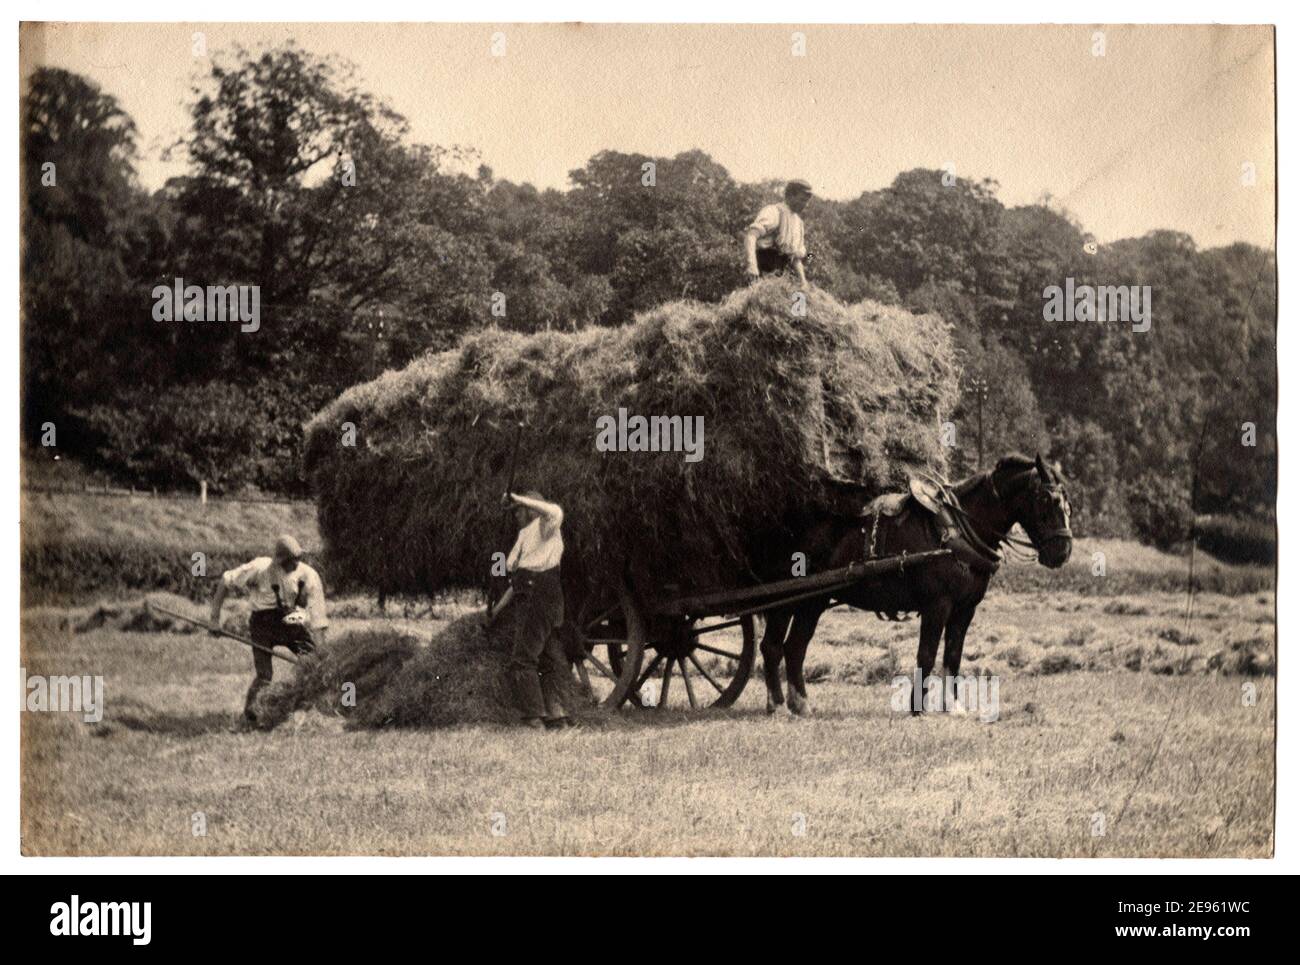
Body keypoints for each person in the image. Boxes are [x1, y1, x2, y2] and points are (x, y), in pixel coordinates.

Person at [209, 534, 328, 730]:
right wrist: (214, 619)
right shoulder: (260, 567)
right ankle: (248, 720)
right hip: (262, 624)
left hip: (291, 622)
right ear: (279, 560)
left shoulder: (309, 576)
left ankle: (308, 712)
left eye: (295, 561)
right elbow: (226, 580)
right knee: (264, 675)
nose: (291, 566)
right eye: (286, 562)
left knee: (314, 665)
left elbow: (318, 617)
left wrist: (321, 651)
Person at [502, 490, 575, 730]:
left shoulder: (548, 525)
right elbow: (514, 577)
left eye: (519, 511)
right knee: (551, 656)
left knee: (523, 658)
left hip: (538, 593)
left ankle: (534, 719)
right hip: (533, 592)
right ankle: (559, 716)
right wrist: (497, 610)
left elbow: (553, 510)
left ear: (531, 509)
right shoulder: (523, 535)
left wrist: (516, 498)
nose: (516, 516)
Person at [744, 179, 812, 286]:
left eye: (807, 201)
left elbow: (796, 258)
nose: (806, 205)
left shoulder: (799, 223)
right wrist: (752, 265)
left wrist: (803, 281)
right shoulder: (774, 211)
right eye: (802, 200)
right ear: (790, 196)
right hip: (763, 268)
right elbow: (751, 236)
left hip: (782, 276)